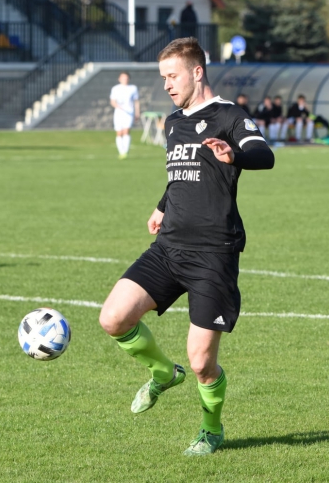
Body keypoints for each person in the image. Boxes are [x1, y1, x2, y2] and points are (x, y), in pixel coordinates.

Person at [98, 37, 274, 456]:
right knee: (113, 318)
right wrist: (162, 206)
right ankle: (163, 373)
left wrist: (234, 154)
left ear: (197, 71)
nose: (167, 85)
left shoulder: (229, 115)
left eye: (172, 76)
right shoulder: (173, 122)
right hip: (169, 244)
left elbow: (263, 154)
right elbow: (181, 173)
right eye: (162, 78)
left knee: (202, 363)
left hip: (214, 252)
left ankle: (211, 430)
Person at [109, 72, 140, 159]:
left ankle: (125, 152)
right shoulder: (115, 89)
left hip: (129, 113)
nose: (125, 80)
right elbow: (112, 101)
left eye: (126, 78)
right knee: (119, 132)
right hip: (119, 113)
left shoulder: (133, 88)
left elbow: (136, 101)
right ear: (119, 79)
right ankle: (121, 151)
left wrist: (137, 113)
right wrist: (118, 106)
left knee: (126, 131)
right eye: (123, 78)